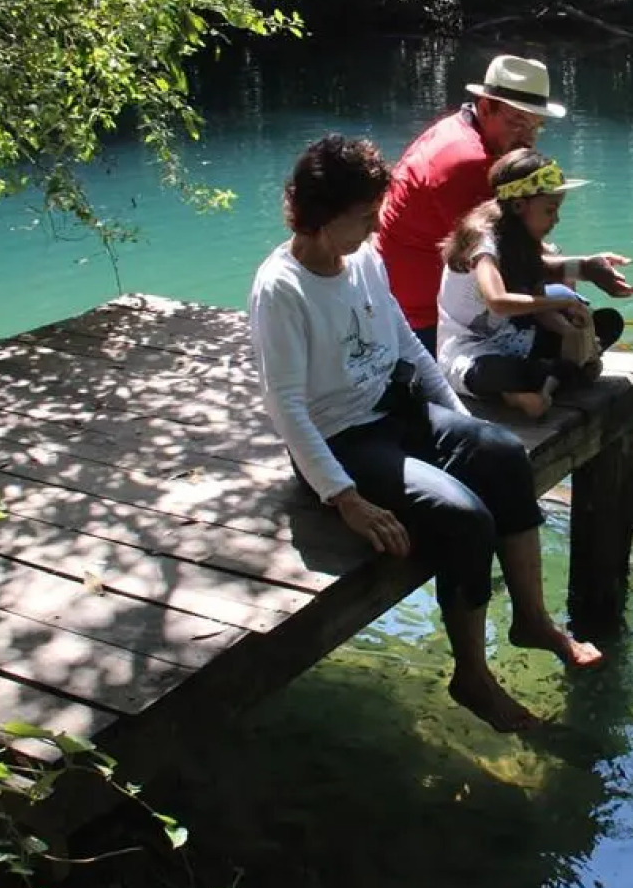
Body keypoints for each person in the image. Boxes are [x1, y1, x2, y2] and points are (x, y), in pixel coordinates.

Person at [248, 134, 602, 733]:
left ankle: (532, 619)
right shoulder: (281, 288)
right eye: (363, 217)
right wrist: (345, 498)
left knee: (503, 455)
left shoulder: (363, 260)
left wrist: (456, 418)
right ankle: (473, 677)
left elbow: (406, 343)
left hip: (397, 410)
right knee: (466, 518)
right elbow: (284, 405)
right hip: (342, 442)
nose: (374, 227)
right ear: (321, 215)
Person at [376, 54, 633, 355]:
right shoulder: (469, 163)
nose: (528, 139)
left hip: (408, 299)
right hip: (426, 321)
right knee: (579, 318)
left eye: (536, 127)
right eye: (517, 123)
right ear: (486, 107)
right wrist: (583, 268)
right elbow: (509, 264)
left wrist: (574, 267)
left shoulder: (459, 131)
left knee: (568, 303)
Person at [437, 148, 627, 418]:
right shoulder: (483, 242)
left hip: (514, 340)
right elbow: (498, 301)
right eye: (550, 210)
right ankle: (538, 383)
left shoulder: (524, 241)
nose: (556, 220)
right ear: (519, 206)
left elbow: (540, 308)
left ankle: (551, 377)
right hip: (472, 350)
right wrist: (564, 302)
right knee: (503, 373)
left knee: (608, 323)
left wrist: (572, 333)